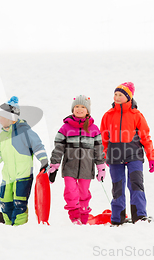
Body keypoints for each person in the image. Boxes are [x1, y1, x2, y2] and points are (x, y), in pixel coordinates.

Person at [100, 82, 154, 225]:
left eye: (121, 95)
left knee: (136, 184)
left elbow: (145, 137)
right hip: (114, 156)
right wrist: (105, 154)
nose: (117, 97)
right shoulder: (108, 115)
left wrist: (152, 157)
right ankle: (117, 218)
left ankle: (140, 216)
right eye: (115, 94)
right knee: (117, 186)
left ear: (128, 97)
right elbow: (103, 138)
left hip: (134, 155)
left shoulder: (136, 115)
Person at [0, 96, 49, 226]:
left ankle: (19, 228)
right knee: (5, 202)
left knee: (19, 203)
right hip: (7, 176)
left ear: (10, 117)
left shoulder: (25, 131)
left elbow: (37, 146)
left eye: (0, 117)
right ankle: (9, 225)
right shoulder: (2, 135)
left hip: (23, 175)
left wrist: (43, 160)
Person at [48, 95, 106, 225]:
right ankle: (74, 215)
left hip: (87, 167)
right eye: (76, 107)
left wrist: (101, 167)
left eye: (82, 107)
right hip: (70, 166)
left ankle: (84, 216)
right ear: (73, 109)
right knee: (70, 190)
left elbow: (99, 150)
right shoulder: (65, 128)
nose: (79, 109)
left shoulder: (94, 129)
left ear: (88, 111)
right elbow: (58, 148)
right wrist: (54, 165)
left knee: (84, 192)